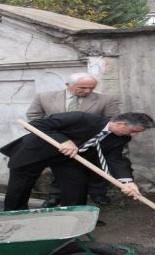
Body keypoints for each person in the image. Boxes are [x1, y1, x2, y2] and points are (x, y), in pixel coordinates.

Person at [0, 112, 155, 211]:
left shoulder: (121, 137)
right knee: (20, 187)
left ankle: (74, 218)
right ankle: (15, 217)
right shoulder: (82, 118)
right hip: (36, 152)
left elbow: (115, 159)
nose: (134, 135)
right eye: (134, 131)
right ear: (121, 124)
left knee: (76, 185)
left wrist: (127, 181)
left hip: (68, 159)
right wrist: (64, 140)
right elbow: (36, 124)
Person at [27, 72, 121, 207]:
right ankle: (56, 196)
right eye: (82, 88)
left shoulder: (106, 100)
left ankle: (98, 194)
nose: (87, 91)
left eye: (91, 88)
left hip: (90, 142)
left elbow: (113, 120)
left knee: (95, 169)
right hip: (58, 142)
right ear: (68, 85)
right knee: (58, 169)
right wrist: (55, 134)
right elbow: (34, 116)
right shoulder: (44, 97)